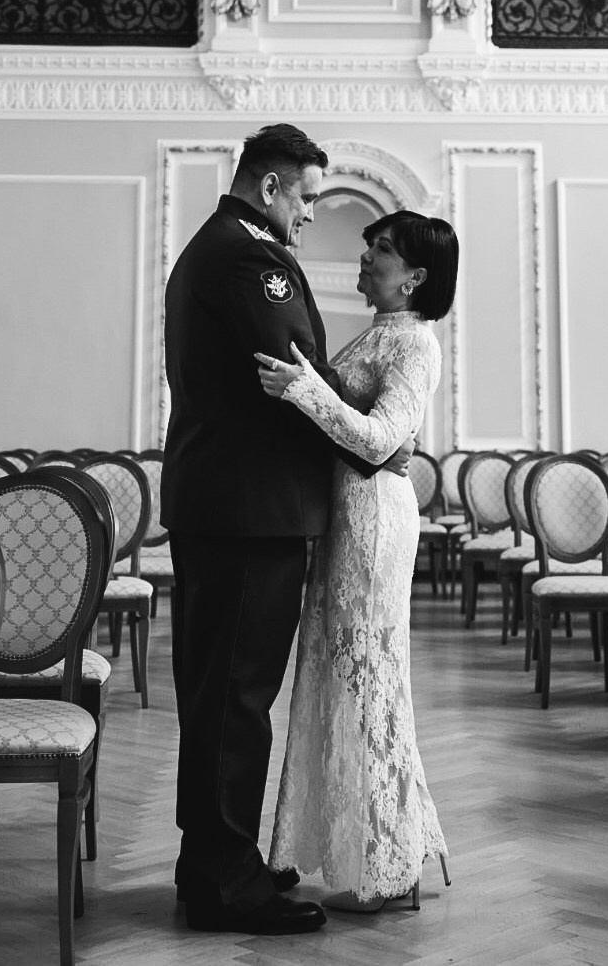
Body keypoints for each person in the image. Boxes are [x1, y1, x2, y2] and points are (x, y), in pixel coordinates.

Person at [160, 123, 406, 937]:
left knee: (221, 693)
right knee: (235, 697)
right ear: (269, 187)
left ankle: (212, 860)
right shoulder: (248, 259)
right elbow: (295, 377)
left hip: (230, 504)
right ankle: (225, 883)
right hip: (248, 510)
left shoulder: (218, 247)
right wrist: (377, 443)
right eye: (305, 197)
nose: (309, 214)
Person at [256, 209, 459, 911]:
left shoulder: (415, 342)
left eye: (382, 249)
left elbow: (378, 440)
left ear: (415, 277)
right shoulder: (381, 330)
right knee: (338, 676)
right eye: (370, 245)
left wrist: (304, 388)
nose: (367, 257)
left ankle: (386, 863)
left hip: (374, 524)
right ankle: (356, 845)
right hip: (346, 517)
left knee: (367, 678)